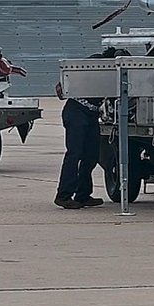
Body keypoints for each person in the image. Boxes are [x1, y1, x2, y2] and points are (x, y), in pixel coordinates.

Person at [54, 65, 106, 210]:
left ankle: (83, 195)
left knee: (91, 155)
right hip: (77, 111)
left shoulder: (106, 71)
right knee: (74, 154)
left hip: (90, 113)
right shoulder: (95, 64)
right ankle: (63, 196)